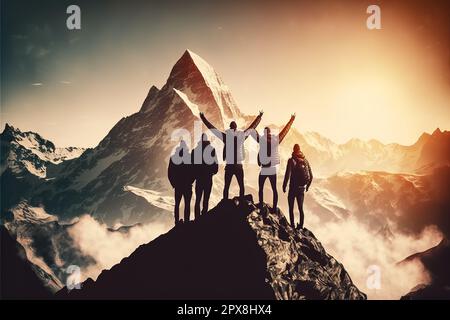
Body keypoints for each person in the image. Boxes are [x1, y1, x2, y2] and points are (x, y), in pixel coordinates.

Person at [199, 111, 263, 199]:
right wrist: (259, 117)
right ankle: (241, 201)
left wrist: (203, 118)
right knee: (241, 185)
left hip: (229, 166)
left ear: (230, 128)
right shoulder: (242, 136)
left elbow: (212, 129)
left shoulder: (226, 137)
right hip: (238, 165)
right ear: (236, 128)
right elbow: (252, 127)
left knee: (226, 186)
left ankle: (225, 201)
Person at [251, 114, 295, 212]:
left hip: (264, 169)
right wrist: (291, 120)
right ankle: (274, 208)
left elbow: (252, 130)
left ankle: (261, 206)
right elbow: (285, 131)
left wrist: (259, 117)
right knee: (274, 189)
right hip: (272, 169)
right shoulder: (276, 140)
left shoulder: (261, 140)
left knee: (261, 188)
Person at [282, 144, 313, 229]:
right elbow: (311, 176)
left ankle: (292, 226)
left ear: (293, 150)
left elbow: (287, 175)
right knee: (300, 208)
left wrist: (284, 186)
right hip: (301, 188)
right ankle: (300, 226)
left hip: (293, 188)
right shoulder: (305, 160)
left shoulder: (291, 160)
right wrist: (307, 186)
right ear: (300, 150)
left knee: (291, 208)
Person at [192, 133, 218, 218]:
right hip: (208, 177)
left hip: (199, 178)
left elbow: (191, 165)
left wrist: (194, 175)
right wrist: (213, 172)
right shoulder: (212, 150)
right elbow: (215, 163)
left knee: (198, 199)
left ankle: (197, 218)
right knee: (206, 199)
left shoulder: (195, 150)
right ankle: (204, 216)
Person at [168, 140, 194, 225]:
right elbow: (195, 171)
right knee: (187, 204)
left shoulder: (173, 157)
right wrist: (191, 181)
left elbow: (170, 173)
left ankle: (176, 222)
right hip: (187, 185)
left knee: (177, 205)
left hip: (178, 185)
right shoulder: (190, 157)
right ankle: (186, 221)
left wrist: (174, 184)